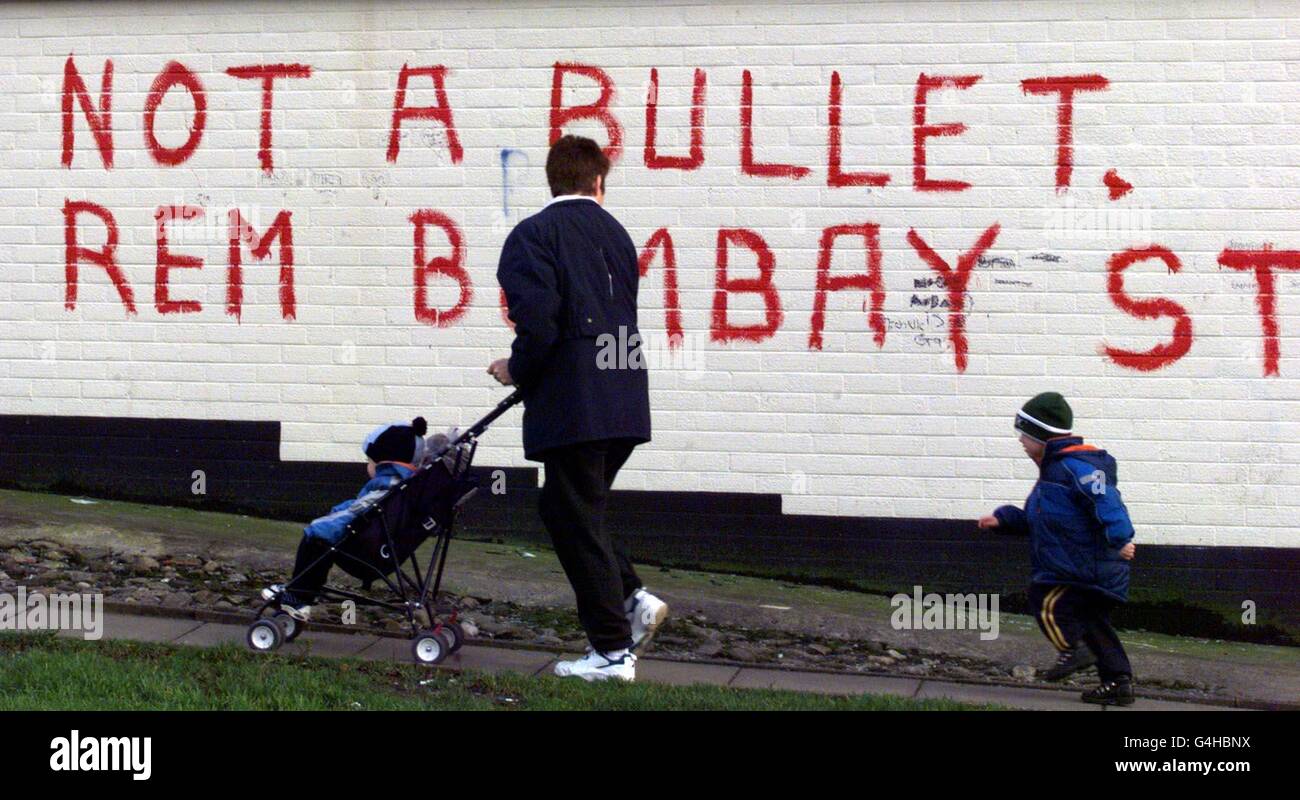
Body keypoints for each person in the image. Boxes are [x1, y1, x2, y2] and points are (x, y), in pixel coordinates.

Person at [488, 134, 665, 682]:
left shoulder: (533, 235)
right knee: (573, 509)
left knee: (571, 511)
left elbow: (538, 325)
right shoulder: (617, 235)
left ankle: (612, 650)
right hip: (624, 393)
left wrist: (515, 369)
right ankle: (632, 599)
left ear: (552, 180)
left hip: (577, 402)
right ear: (598, 182)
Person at [977, 392, 1139, 706]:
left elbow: (1107, 502)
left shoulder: (1076, 467)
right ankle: (1118, 681)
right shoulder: (1056, 471)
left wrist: (1121, 540)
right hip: (1082, 564)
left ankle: (1071, 651)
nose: (1021, 440)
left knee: (1043, 599)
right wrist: (1003, 520)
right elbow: (1042, 520)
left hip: (1087, 565)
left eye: (1024, 433)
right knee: (1091, 623)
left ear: (1042, 435)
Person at [262, 418, 428, 620]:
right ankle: (299, 591)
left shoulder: (386, 490)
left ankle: (298, 596)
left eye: (369, 461)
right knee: (324, 538)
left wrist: (319, 525)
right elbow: (358, 508)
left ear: (384, 463)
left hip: (366, 554)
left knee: (316, 539)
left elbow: (354, 513)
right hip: (382, 549)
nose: (367, 465)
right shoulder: (404, 488)